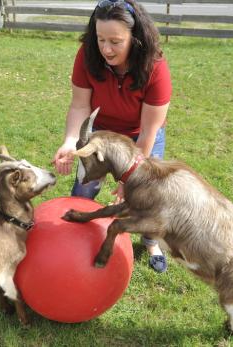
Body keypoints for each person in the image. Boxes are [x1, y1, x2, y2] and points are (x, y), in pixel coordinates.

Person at [52, 0, 172, 273]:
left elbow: (149, 131)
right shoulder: (87, 55)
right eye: (100, 38)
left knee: (145, 194)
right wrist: (71, 141)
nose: (106, 48)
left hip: (140, 135)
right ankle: (76, 236)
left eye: (116, 41)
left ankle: (151, 241)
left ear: (135, 38)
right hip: (101, 133)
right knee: (84, 186)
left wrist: (129, 178)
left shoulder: (155, 68)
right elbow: (80, 105)